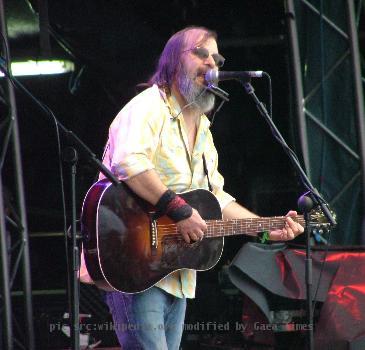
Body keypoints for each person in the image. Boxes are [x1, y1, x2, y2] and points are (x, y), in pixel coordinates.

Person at [80, 26, 304, 349]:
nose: (211, 63)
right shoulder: (148, 108)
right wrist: (179, 209)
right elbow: (130, 164)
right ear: (172, 61)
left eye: (216, 57)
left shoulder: (203, 131)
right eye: (201, 53)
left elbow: (217, 198)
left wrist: (266, 229)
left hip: (175, 273)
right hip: (133, 260)